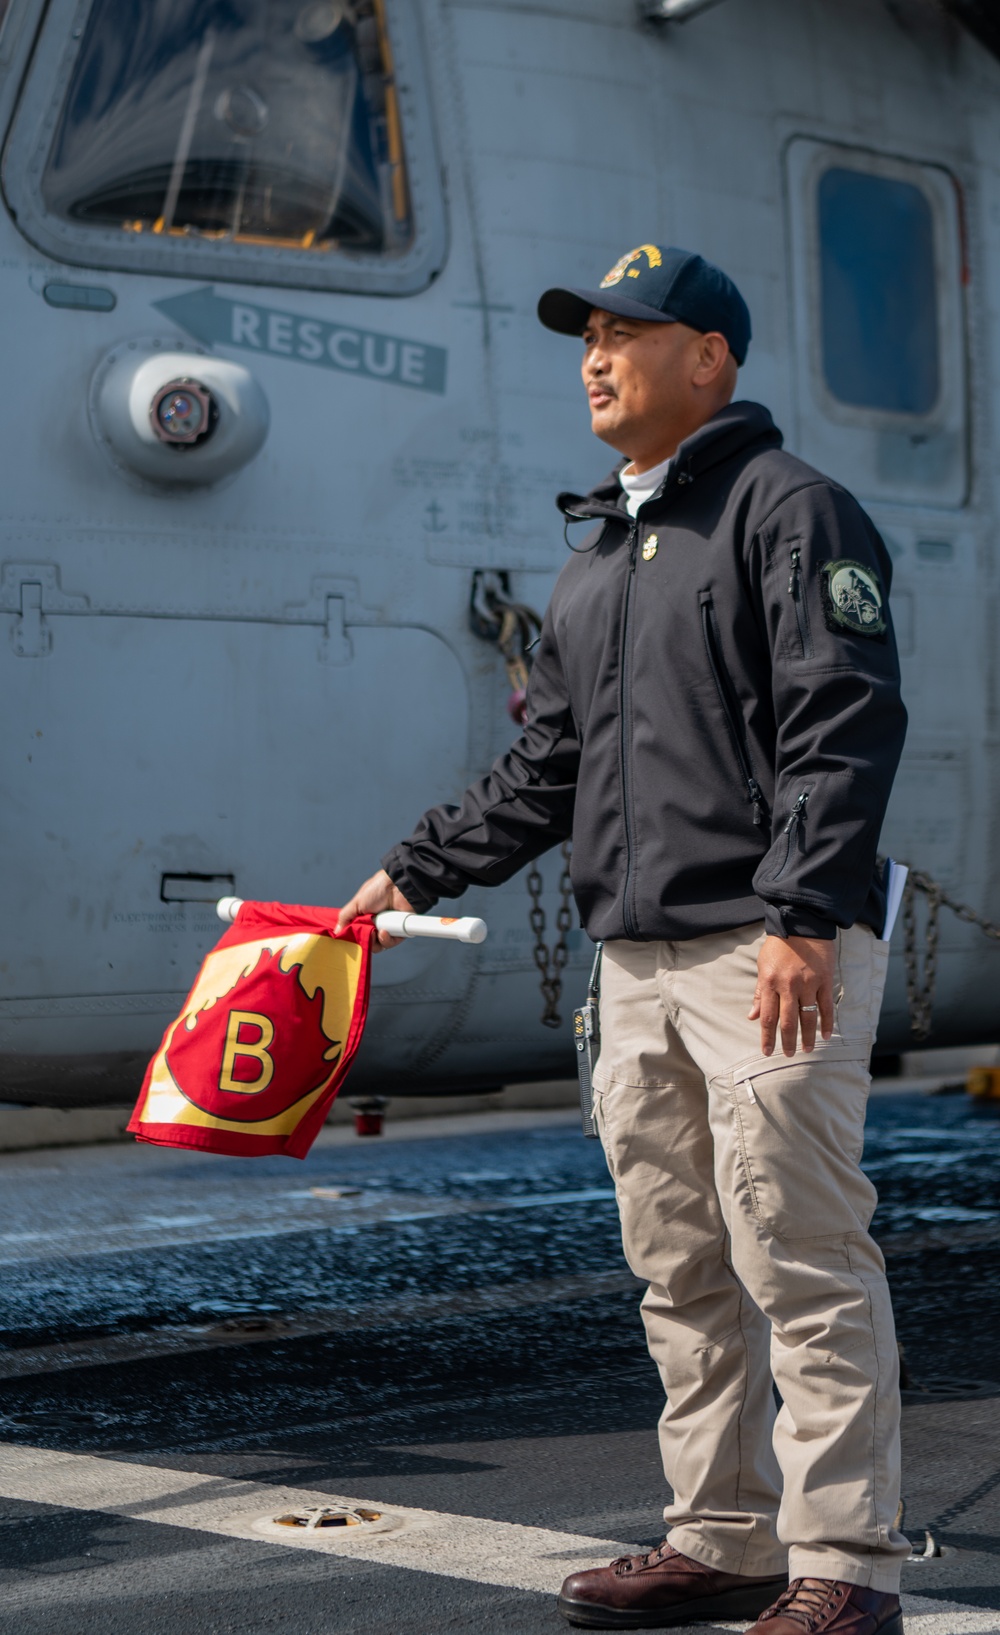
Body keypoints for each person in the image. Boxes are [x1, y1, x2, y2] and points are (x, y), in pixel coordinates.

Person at [338, 244, 908, 1635]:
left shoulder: (793, 513)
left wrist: (803, 912)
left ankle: (844, 1571)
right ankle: (720, 1539)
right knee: (681, 1266)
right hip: (637, 965)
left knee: (805, 1259)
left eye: (625, 334)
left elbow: (844, 719)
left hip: (766, 952)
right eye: (584, 338)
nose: (594, 359)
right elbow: (550, 771)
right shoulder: (598, 557)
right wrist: (403, 874)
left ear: (707, 356)